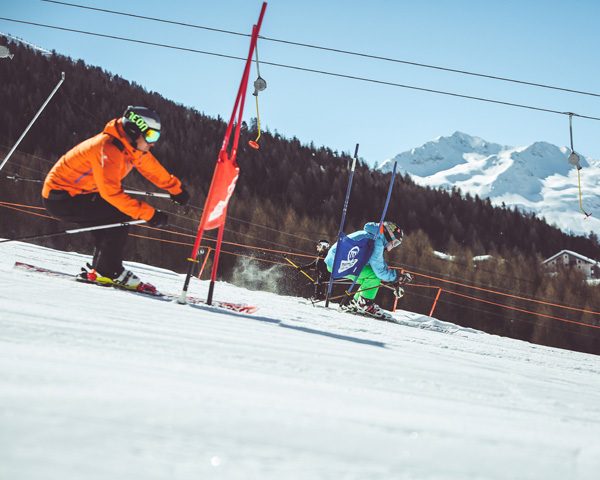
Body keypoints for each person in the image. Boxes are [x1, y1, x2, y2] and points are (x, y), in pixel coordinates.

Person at [42, 106, 189, 291]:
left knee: (112, 216)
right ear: (135, 130)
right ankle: (108, 270)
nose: (153, 143)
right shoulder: (109, 148)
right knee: (118, 215)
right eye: (151, 136)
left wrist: (175, 189)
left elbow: (150, 166)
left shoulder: (129, 145)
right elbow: (111, 194)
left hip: (82, 192)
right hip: (62, 198)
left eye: (156, 137)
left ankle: (102, 268)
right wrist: (150, 214)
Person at [324, 221, 412, 317]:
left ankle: (357, 302)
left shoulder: (374, 236)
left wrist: (394, 280)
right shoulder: (377, 242)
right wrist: (397, 277)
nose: (393, 246)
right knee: (373, 277)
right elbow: (379, 271)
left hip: (335, 261)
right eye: (395, 242)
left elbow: (378, 263)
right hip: (340, 262)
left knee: (368, 276)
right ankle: (364, 304)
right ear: (389, 235)